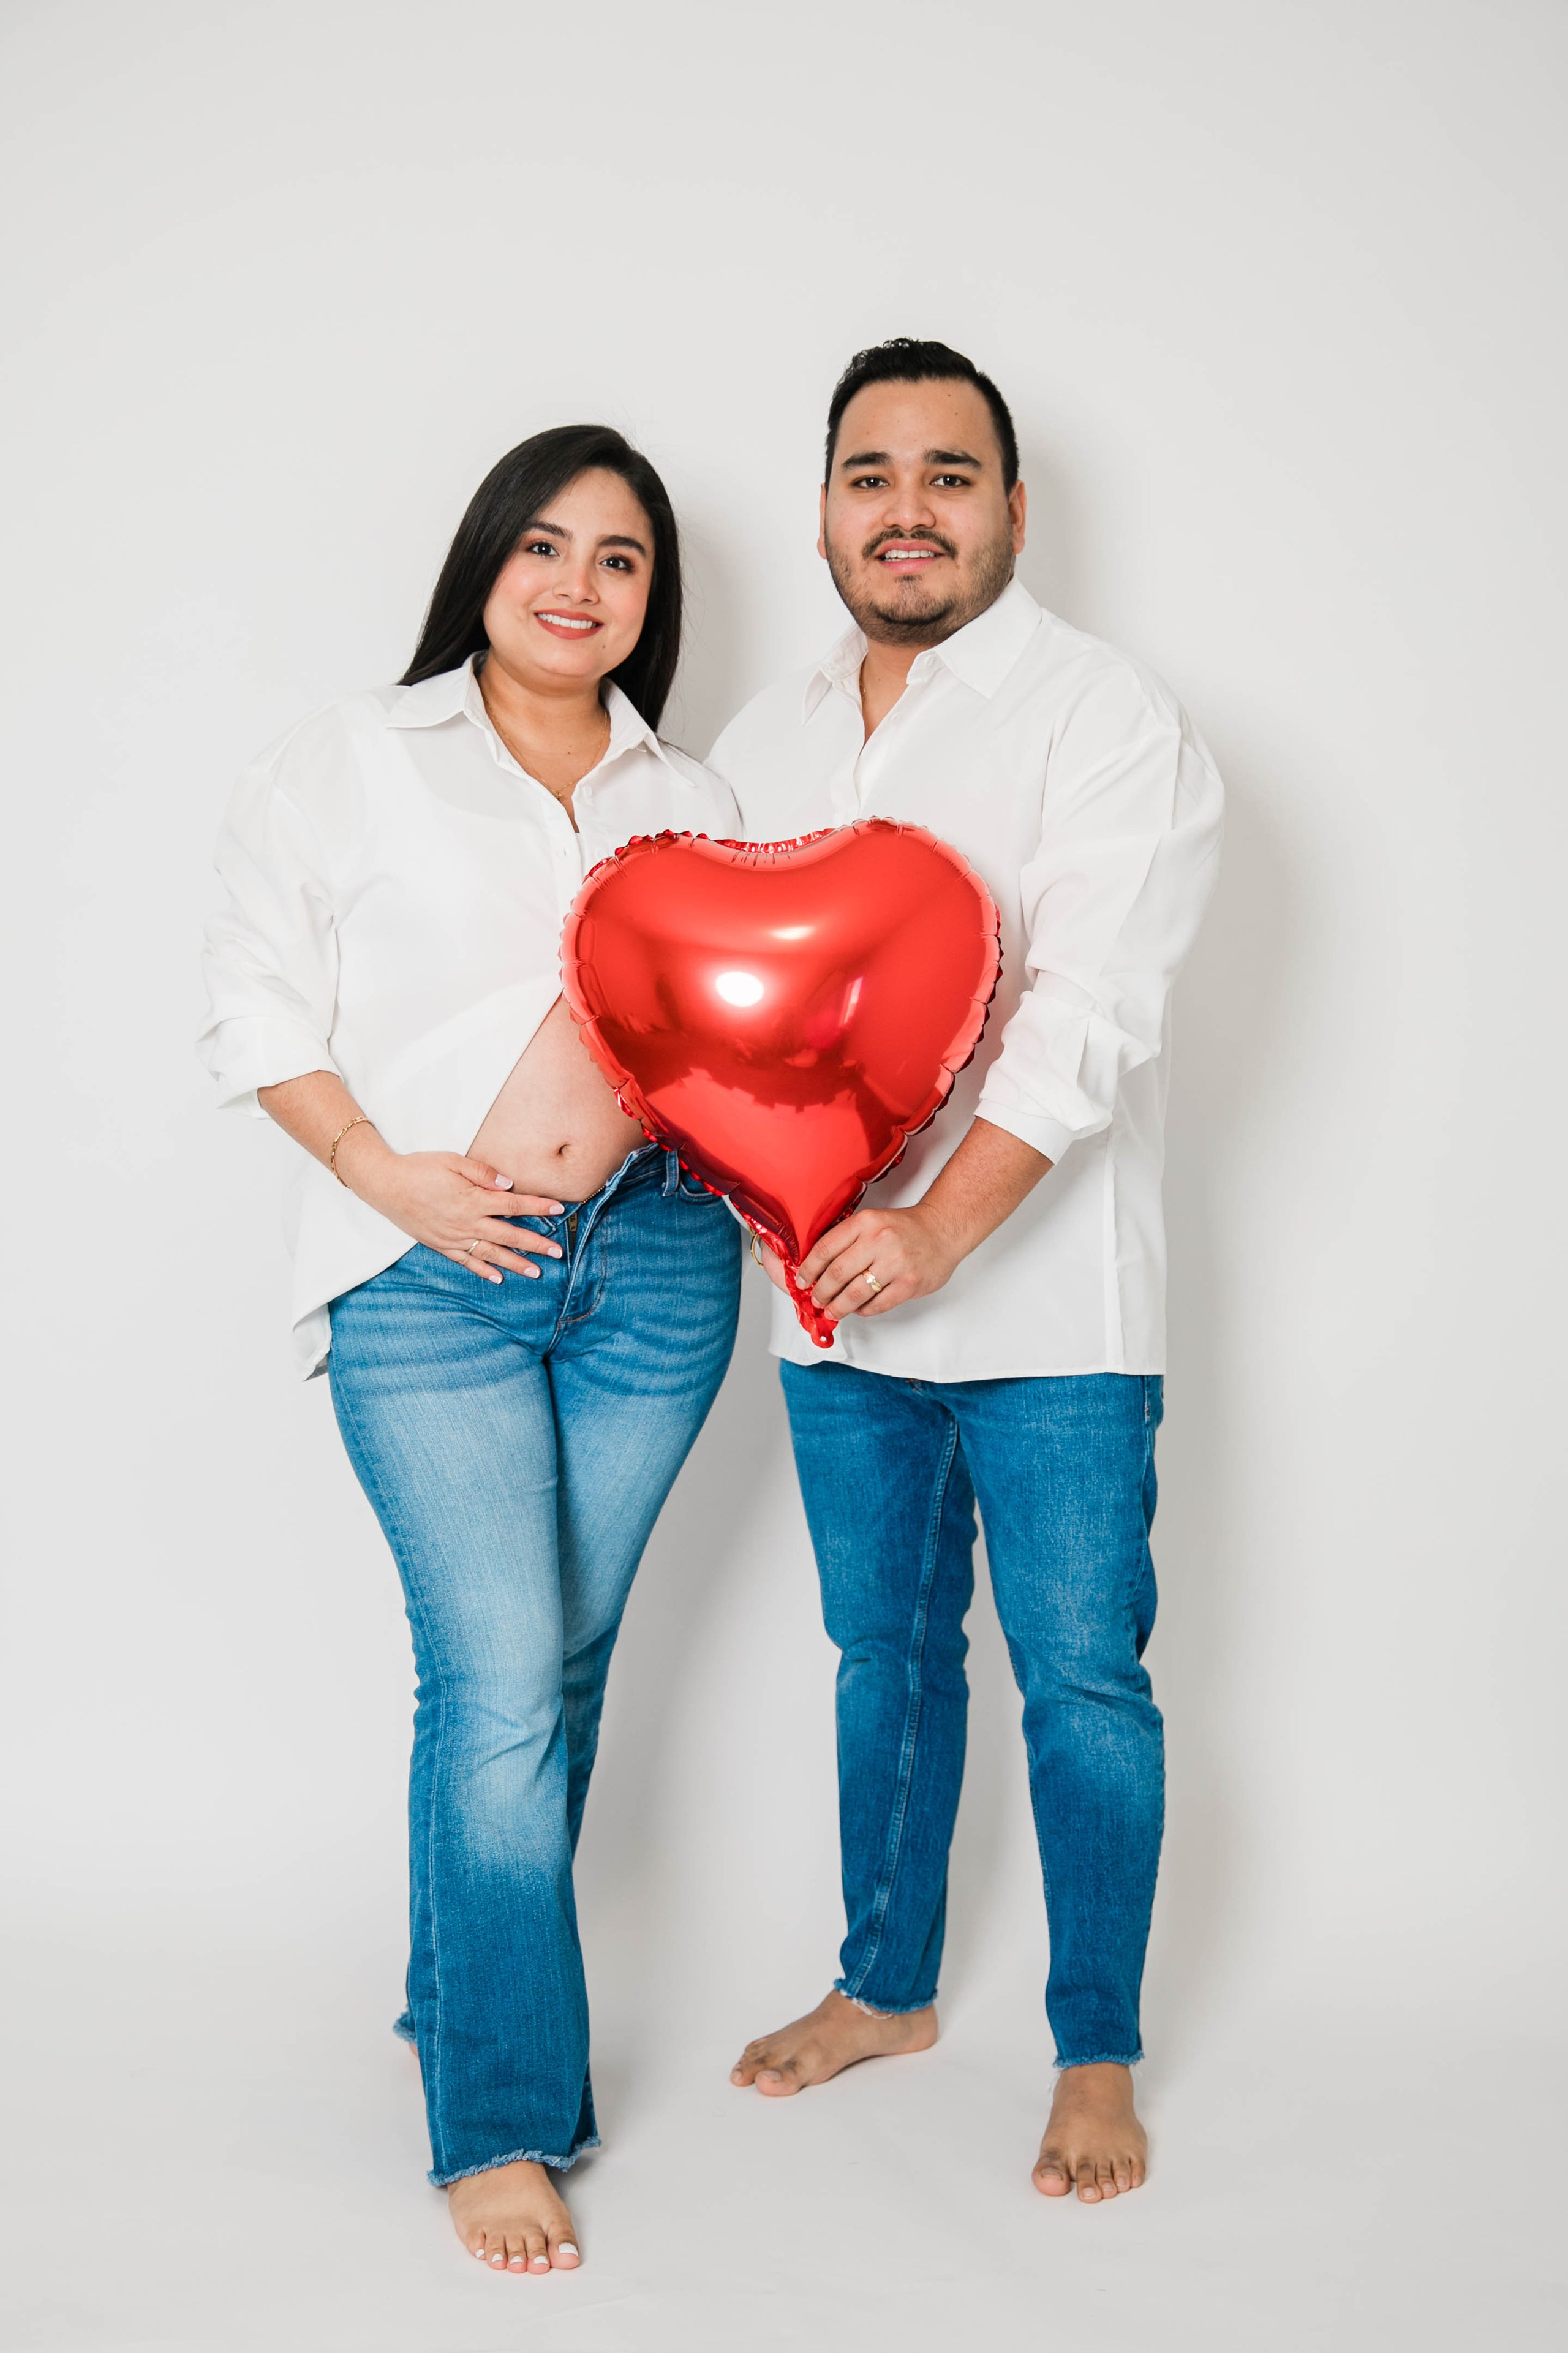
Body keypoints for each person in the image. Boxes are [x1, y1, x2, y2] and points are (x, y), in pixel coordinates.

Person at [198, 426, 742, 2273]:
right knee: (504, 1672)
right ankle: (502, 2115)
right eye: (544, 544)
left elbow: (741, 1040)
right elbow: (256, 1004)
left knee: (554, 1672)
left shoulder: (704, 794)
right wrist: (388, 1176)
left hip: (658, 1267)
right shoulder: (351, 759)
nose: (578, 584)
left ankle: (459, 2006)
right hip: (428, 1271)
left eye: (621, 559)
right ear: (483, 563)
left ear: (654, 599)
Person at [710, 340, 1223, 2201]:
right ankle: (889, 1985)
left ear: (1016, 506)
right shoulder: (763, 739)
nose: (905, 508)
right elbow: (714, 1011)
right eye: (869, 474)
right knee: (886, 1657)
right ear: (827, 505)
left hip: (1050, 1305)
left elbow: (1089, 1018)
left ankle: (1096, 2046)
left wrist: (939, 1222)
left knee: (1084, 1676)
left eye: (948, 473)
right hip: (831, 1300)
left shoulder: (1105, 715)